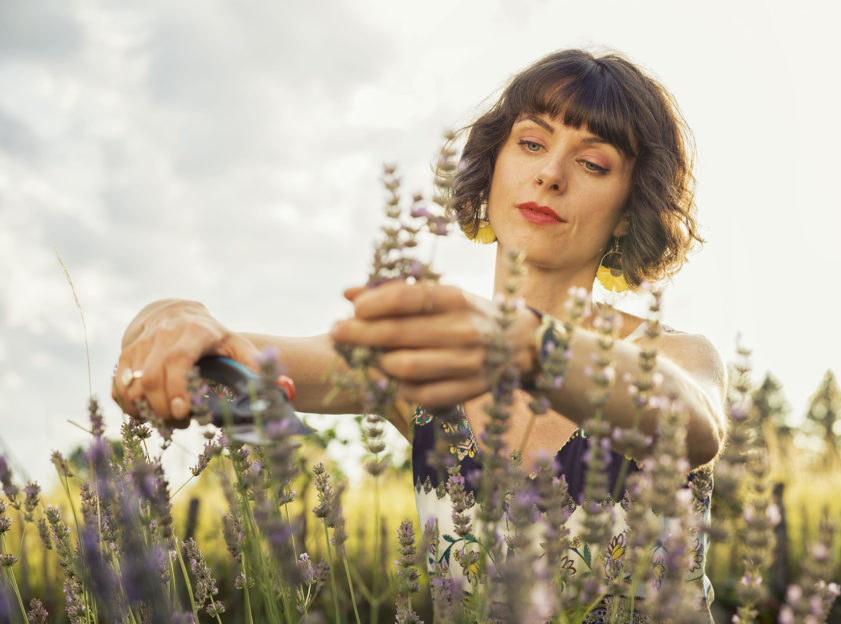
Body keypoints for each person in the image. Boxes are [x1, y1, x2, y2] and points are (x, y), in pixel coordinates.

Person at [113, 49, 726, 620]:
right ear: (491, 172)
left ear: (630, 209)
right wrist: (173, 317)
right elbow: (243, 357)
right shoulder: (420, 369)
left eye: (593, 163)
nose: (551, 174)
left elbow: (689, 425)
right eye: (532, 144)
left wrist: (519, 341)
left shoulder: (673, 356)